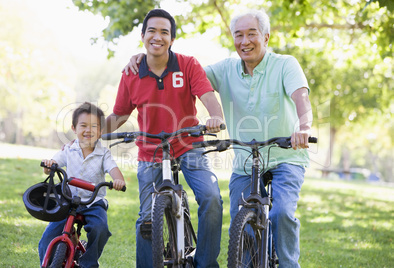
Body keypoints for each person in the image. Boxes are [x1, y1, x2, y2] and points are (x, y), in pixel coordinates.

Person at [125, 9, 313, 268]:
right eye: (239, 35)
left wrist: (304, 127)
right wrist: (147, 57)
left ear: (266, 37)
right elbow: (181, 74)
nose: (245, 41)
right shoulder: (225, 69)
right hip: (246, 160)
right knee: (242, 220)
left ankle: (289, 265)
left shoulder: (285, 64)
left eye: (252, 34)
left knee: (281, 213)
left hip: (286, 155)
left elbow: (301, 97)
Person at [104, 9, 224, 268]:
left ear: (172, 39)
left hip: (188, 145)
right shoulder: (131, 73)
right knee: (146, 217)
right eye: (152, 31)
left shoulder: (187, 64)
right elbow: (120, 113)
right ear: (143, 35)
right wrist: (93, 133)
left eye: (164, 32)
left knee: (212, 198)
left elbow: (207, 93)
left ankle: (205, 263)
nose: (157, 36)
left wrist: (215, 116)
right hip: (150, 151)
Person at [39, 102, 126, 268]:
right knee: (47, 237)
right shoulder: (69, 149)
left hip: (93, 202)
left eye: (94, 126)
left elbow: (114, 170)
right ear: (74, 128)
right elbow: (53, 164)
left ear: (101, 131)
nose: (88, 130)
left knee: (100, 228)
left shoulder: (104, 154)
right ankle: (47, 263)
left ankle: (89, 262)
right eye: (83, 125)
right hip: (68, 201)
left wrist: (118, 180)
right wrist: (49, 165)